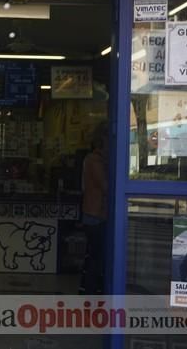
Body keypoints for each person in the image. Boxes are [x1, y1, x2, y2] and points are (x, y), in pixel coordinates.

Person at [79, 121, 109, 294]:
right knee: (97, 257)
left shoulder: (94, 159)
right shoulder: (95, 160)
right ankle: (91, 290)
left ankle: (90, 289)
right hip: (96, 214)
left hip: (94, 213)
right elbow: (105, 186)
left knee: (95, 255)